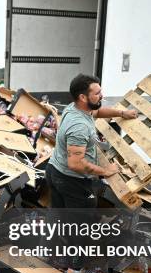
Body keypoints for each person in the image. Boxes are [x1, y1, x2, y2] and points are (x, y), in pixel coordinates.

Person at [46, 74, 138, 209]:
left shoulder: (75, 108)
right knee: (82, 223)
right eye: (97, 93)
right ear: (83, 97)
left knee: (60, 221)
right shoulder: (79, 127)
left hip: (56, 171)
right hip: (72, 181)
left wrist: (122, 113)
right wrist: (105, 171)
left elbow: (97, 112)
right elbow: (75, 164)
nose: (102, 95)